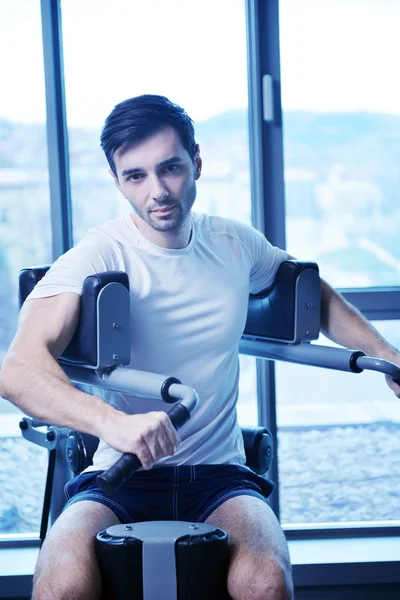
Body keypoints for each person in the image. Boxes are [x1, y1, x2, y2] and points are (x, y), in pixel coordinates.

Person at [0, 94, 399, 600]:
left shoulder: (234, 243)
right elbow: (17, 370)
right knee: (62, 583)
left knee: (266, 579)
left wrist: (389, 354)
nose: (158, 191)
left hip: (220, 474)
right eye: (136, 176)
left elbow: (310, 295)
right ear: (117, 181)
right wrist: (116, 425)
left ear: (197, 163)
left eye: (171, 168)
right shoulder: (97, 254)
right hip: (120, 471)